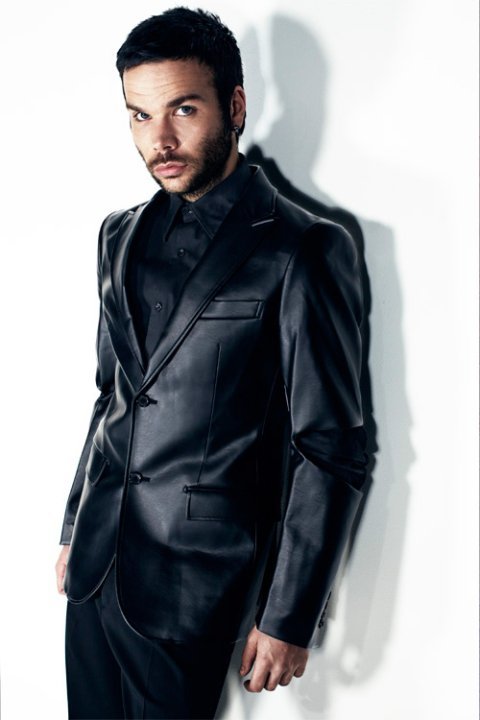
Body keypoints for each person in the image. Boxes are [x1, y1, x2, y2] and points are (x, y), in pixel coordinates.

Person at [55, 7, 367, 719]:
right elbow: (111, 395)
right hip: (94, 572)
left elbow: (330, 447)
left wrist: (289, 614)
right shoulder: (117, 236)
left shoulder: (301, 248)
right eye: (139, 116)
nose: (159, 140)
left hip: (192, 584)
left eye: (183, 110)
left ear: (235, 105)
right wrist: (76, 524)